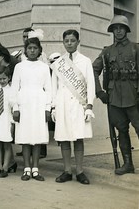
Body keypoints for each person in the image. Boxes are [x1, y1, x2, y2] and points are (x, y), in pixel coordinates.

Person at [92, 15, 139, 175]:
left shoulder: (135, 48)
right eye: (115, 28)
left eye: (121, 28)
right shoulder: (107, 51)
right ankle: (128, 164)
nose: (118, 31)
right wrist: (99, 92)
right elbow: (93, 70)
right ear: (112, 31)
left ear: (126, 29)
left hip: (134, 96)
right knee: (121, 131)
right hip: (114, 98)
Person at [51, 29, 95, 185]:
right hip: (62, 104)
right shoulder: (59, 64)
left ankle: (80, 171)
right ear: (63, 43)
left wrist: (89, 106)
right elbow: (53, 87)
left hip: (78, 105)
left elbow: (90, 85)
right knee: (64, 138)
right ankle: (67, 171)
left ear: (78, 42)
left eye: (72, 40)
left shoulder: (85, 61)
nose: (69, 43)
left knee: (78, 138)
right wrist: (54, 107)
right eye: (66, 41)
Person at [11, 30, 52, 181]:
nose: (32, 51)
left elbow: (49, 89)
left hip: (39, 104)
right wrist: (15, 108)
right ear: (25, 50)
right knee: (26, 138)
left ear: (39, 50)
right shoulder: (19, 67)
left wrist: (48, 108)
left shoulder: (44, 67)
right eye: (29, 48)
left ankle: (35, 168)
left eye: (35, 48)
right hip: (24, 104)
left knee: (37, 138)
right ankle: (26, 168)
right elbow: (14, 89)